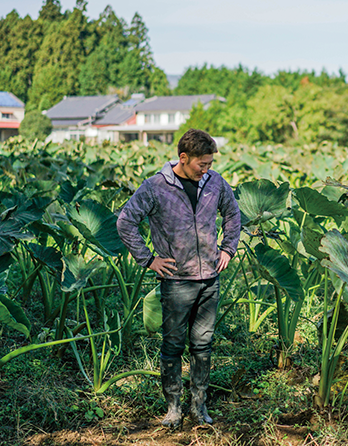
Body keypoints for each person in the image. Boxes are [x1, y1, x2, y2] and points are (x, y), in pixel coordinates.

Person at [117, 129, 241, 427]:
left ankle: (199, 407)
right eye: (202, 164)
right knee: (172, 346)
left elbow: (233, 214)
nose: (206, 169)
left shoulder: (215, 183)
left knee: (203, 346)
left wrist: (228, 248)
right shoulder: (155, 187)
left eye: (210, 163)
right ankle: (173, 408)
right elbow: (125, 222)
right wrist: (148, 260)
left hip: (210, 278)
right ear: (183, 158)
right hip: (177, 281)